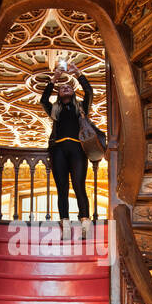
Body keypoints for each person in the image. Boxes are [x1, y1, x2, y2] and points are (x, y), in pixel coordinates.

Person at [40, 59, 93, 225]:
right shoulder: (55, 110)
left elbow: (89, 92)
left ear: (73, 92)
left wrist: (77, 72)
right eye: (62, 88)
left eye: (68, 87)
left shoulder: (81, 107)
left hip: (78, 149)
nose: (66, 88)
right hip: (58, 150)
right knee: (62, 188)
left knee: (79, 186)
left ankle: (84, 220)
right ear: (59, 94)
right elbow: (43, 100)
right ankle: (64, 221)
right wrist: (54, 79)